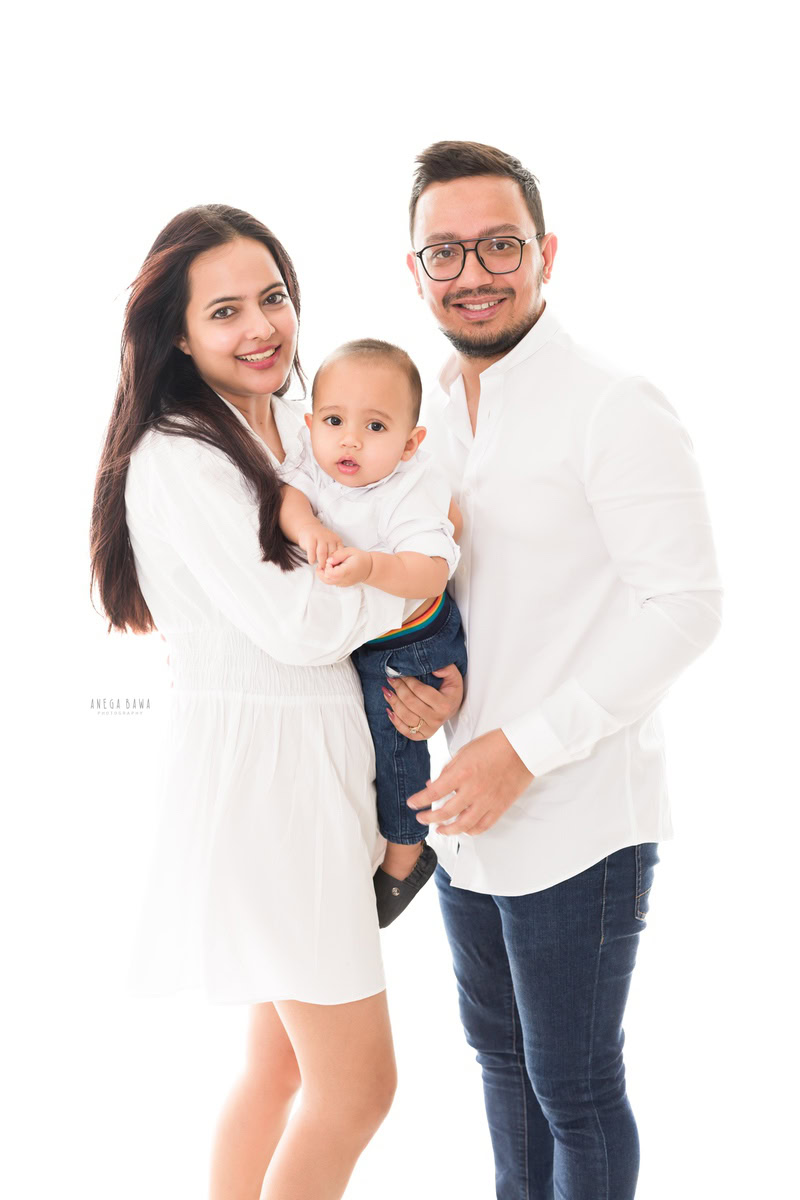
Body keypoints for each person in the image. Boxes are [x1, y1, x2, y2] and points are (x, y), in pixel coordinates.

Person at [380, 141, 723, 1199]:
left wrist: (521, 749)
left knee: (573, 1086)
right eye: (444, 252)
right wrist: (443, 694)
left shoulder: (611, 404)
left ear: (545, 253)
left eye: (499, 245)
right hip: (465, 812)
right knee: (502, 1068)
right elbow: (466, 595)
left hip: (577, 814)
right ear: (415, 270)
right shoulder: (431, 414)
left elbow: (686, 607)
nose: (472, 272)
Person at [89, 205, 429, 1200]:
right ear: (177, 335)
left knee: (281, 1071)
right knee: (358, 1090)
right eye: (225, 310)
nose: (261, 326)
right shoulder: (180, 454)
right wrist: (417, 584)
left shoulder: (294, 425)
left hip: (304, 769)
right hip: (271, 793)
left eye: (272, 297)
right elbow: (302, 626)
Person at [277, 338, 468, 925]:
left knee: (394, 739)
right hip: (372, 632)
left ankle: (407, 850)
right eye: (334, 421)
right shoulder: (316, 460)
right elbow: (289, 498)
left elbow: (432, 570)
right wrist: (307, 528)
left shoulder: (410, 487)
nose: (350, 441)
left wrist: (369, 567)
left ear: (410, 443)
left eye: (376, 427)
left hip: (412, 640)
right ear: (311, 423)